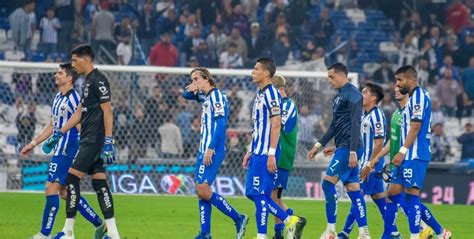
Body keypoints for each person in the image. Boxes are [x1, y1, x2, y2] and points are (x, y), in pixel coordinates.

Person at [42, 44, 120, 239]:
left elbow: (108, 110)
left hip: (93, 140)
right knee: (100, 185)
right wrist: (59, 132)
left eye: (75, 60)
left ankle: (68, 232)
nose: (73, 64)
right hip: (89, 138)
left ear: (86, 59)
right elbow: (79, 112)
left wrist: (109, 140)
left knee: (70, 180)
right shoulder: (86, 82)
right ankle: (113, 233)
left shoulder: (98, 79)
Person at [20, 63, 105, 239]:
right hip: (60, 147)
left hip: (69, 148)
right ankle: (99, 223)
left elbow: (81, 123)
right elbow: (53, 125)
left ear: (69, 78)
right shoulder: (58, 97)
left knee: (50, 188)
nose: (56, 75)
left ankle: (44, 234)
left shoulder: (75, 98)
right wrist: (33, 143)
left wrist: (88, 148)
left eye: (60, 73)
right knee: (65, 192)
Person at [382, 65, 451, 239]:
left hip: (414, 154)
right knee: (392, 193)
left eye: (400, 80)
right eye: (396, 80)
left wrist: (402, 151)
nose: (397, 84)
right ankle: (439, 231)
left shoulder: (419, 96)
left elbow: (416, 127)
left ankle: (417, 235)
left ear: (412, 79)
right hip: (407, 154)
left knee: (412, 195)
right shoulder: (412, 98)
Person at [242, 58, 306, 239]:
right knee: (254, 194)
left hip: (266, 153)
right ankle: (289, 220)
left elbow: (276, 125)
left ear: (266, 73)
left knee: (261, 195)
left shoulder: (271, 94)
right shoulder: (260, 94)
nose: (252, 72)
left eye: (256, 69)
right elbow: (258, 128)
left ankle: (262, 235)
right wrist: (249, 150)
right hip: (257, 152)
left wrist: (271, 154)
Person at [182, 68, 249, 239]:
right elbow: (186, 96)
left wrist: (211, 148)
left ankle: (238, 218)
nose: (194, 81)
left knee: (203, 189)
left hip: (212, 150)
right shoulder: (206, 96)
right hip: (203, 149)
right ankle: (205, 233)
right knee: (200, 190)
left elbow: (221, 125)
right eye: (192, 79)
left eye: (196, 78)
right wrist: (192, 88)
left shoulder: (217, 96)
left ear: (207, 79)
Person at [307, 63, 370, 239]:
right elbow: (335, 126)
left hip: (350, 148)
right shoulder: (339, 97)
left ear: (343, 75)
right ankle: (364, 233)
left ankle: (331, 230)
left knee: (327, 183)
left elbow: (356, 123)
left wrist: (352, 151)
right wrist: (319, 145)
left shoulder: (354, 95)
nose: (329, 81)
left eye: (331, 77)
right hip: (345, 147)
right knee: (353, 189)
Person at [338, 82, 387, 239]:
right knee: (379, 198)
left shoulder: (377, 115)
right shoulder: (364, 114)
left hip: (371, 164)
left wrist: (369, 164)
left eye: (364, 92)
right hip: (366, 162)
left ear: (373, 98)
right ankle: (393, 231)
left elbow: (379, 143)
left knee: (356, 195)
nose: (360, 95)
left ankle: (345, 233)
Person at [269, 74, 302, 239]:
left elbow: (278, 126)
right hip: (275, 155)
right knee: (273, 197)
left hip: (281, 156)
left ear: (277, 89)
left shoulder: (288, 105)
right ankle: (281, 231)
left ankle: (291, 220)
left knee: (271, 196)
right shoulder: (280, 105)